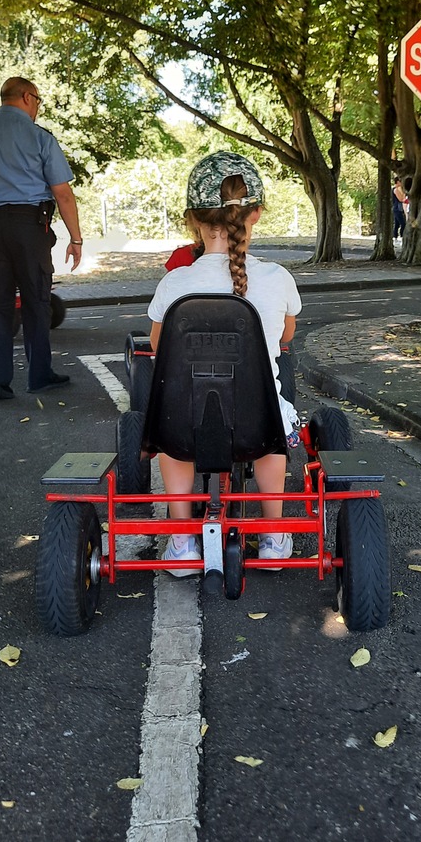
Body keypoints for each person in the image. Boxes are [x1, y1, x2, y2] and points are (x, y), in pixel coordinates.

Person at [147, 151, 302, 575]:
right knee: (275, 428)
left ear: (193, 219)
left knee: (169, 432)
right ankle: (272, 537)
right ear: (256, 214)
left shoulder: (174, 283)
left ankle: (182, 543)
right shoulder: (277, 278)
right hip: (257, 424)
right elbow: (286, 336)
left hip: (188, 427)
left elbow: (159, 349)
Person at [0, 76, 83, 401]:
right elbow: (62, 192)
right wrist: (75, 238)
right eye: (38, 101)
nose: (38, 108)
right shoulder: (39, 137)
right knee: (36, 301)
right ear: (27, 97)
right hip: (28, 225)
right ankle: (40, 375)